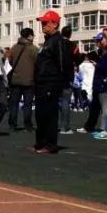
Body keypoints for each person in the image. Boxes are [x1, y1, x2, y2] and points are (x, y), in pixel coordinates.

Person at [31, 10, 74, 154]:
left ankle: (50, 144)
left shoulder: (58, 41)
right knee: (40, 114)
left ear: (54, 24)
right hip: (42, 82)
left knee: (50, 114)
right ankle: (40, 142)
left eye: (45, 22)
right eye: (42, 22)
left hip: (51, 82)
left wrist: (62, 82)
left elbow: (64, 63)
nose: (43, 25)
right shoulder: (48, 40)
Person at [81, 34, 107, 134]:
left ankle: (104, 128)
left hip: (103, 84)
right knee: (94, 107)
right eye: (97, 41)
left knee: (105, 107)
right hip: (97, 83)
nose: (97, 43)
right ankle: (89, 126)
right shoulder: (100, 53)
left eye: (99, 41)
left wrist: (97, 65)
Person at [7, 27, 37, 131]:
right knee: (27, 104)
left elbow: (10, 61)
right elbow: (38, 63)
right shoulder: (33, 49)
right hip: (29, 80)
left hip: (15, 80)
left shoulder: (14, 47)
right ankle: (27, 125)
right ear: (29, 36)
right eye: (33, 35)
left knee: (14, 103)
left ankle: (12, 124)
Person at [58, 25, 77, 134]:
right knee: (65, 102)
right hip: (67, 76)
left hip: (55, 76)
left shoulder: (56, 43)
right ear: (70, 34)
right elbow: (78, 57)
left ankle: (51, 125)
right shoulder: (73, 46)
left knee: (54, 102)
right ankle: (65, 127)